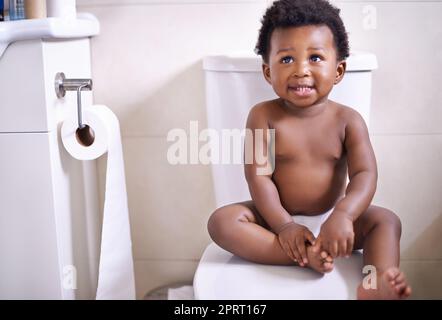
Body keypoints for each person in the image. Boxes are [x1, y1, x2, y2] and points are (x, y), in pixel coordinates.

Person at [207, 0, 411, 299]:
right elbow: (258, 177)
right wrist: (284, 225)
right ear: (267, 72)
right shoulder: (262, 116)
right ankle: (301, 256)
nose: (301, 70)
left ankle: (375, 283)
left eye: (315, 57)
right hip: (275, 218)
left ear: (339, 70)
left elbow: (365, 174)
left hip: (334, 219)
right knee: (221, 222)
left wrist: (343, 214)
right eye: (287, 60)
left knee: (386, 221)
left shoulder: (348, 120)